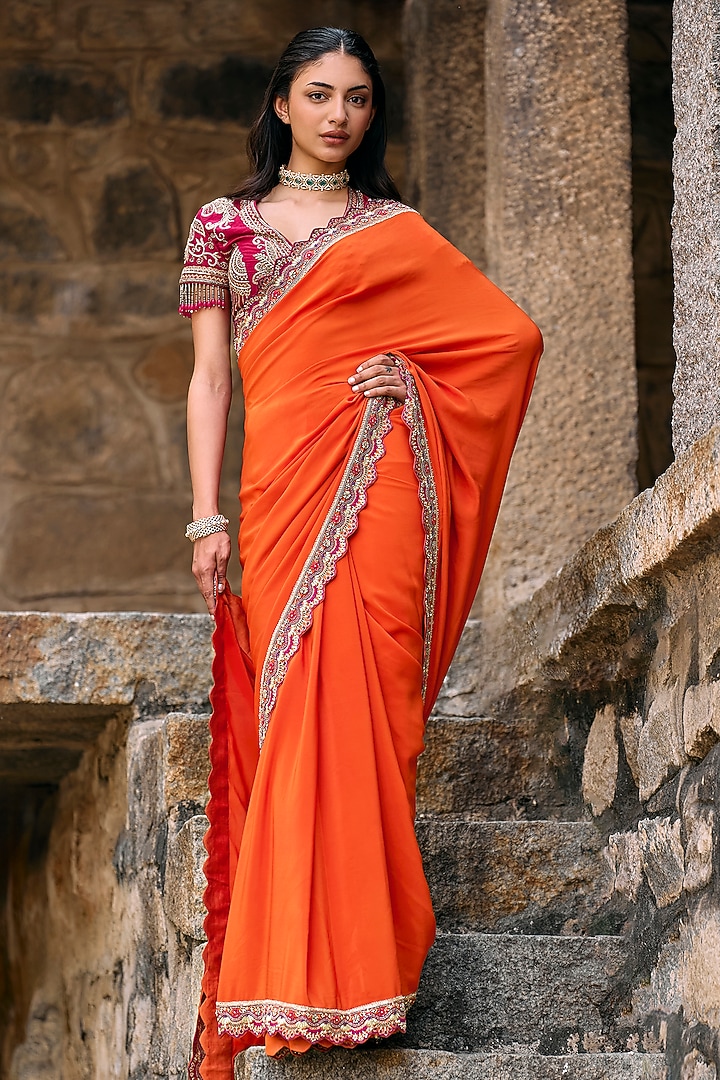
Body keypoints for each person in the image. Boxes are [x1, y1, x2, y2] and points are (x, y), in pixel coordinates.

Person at [180, 26, 542, 1079]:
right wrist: (205, 518)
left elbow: (507, 339)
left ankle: (360, 979)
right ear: (282, 103)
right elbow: (210, 380)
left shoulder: (396, 229)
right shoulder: (225, 228)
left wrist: (413, 383)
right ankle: (295, 982)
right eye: (319, 93)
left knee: (367, 707)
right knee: (297, 709)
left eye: (358, 99)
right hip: (278, 493)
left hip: (375, 480)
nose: (339, 114)